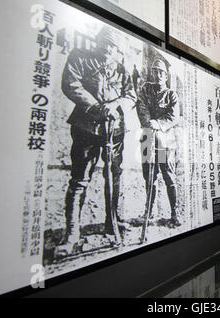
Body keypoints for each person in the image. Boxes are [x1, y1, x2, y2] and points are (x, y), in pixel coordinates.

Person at [56, 26, 136, 256]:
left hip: (115, 129)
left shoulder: (122, 69)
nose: (109, 50)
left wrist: (115, 104)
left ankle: (111, 223)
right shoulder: (80, 57)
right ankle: (71, 233)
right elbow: (70, 83)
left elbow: (131, 95)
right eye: (106, 44)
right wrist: (96, 106)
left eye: (114, 47)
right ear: (97, 42)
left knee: (113, 175)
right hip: (86, 127)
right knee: (79, 179)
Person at [136, 58, 181, 227]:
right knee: (149, 177)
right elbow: (141, 107)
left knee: (169, 176)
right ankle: (149, 211)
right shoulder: (146, 89)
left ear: (166, 75)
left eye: (161, 72)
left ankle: (174, 213)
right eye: (155, 71)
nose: (158, 75)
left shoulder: (171, 95)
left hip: (166, 141)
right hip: (148, 137)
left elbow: (174, 116)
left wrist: (159, 124)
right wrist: (149, 123)